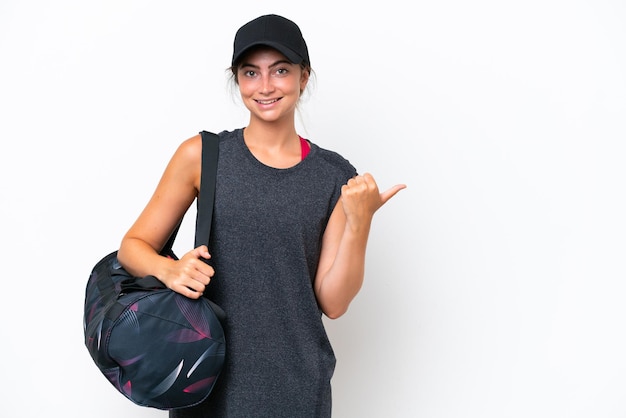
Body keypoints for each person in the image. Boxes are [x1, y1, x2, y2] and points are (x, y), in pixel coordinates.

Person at [117, 13, 406, 418]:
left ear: (304, 78)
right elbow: (132, 247)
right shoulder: (201, 156)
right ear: (237, 80)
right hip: (206, 383)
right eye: (251, 72)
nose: (265, 86)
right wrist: (170, 271)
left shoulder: (335, 176)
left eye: (281, 71)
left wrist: (361, 223)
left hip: (298, 388)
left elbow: (332, 301)